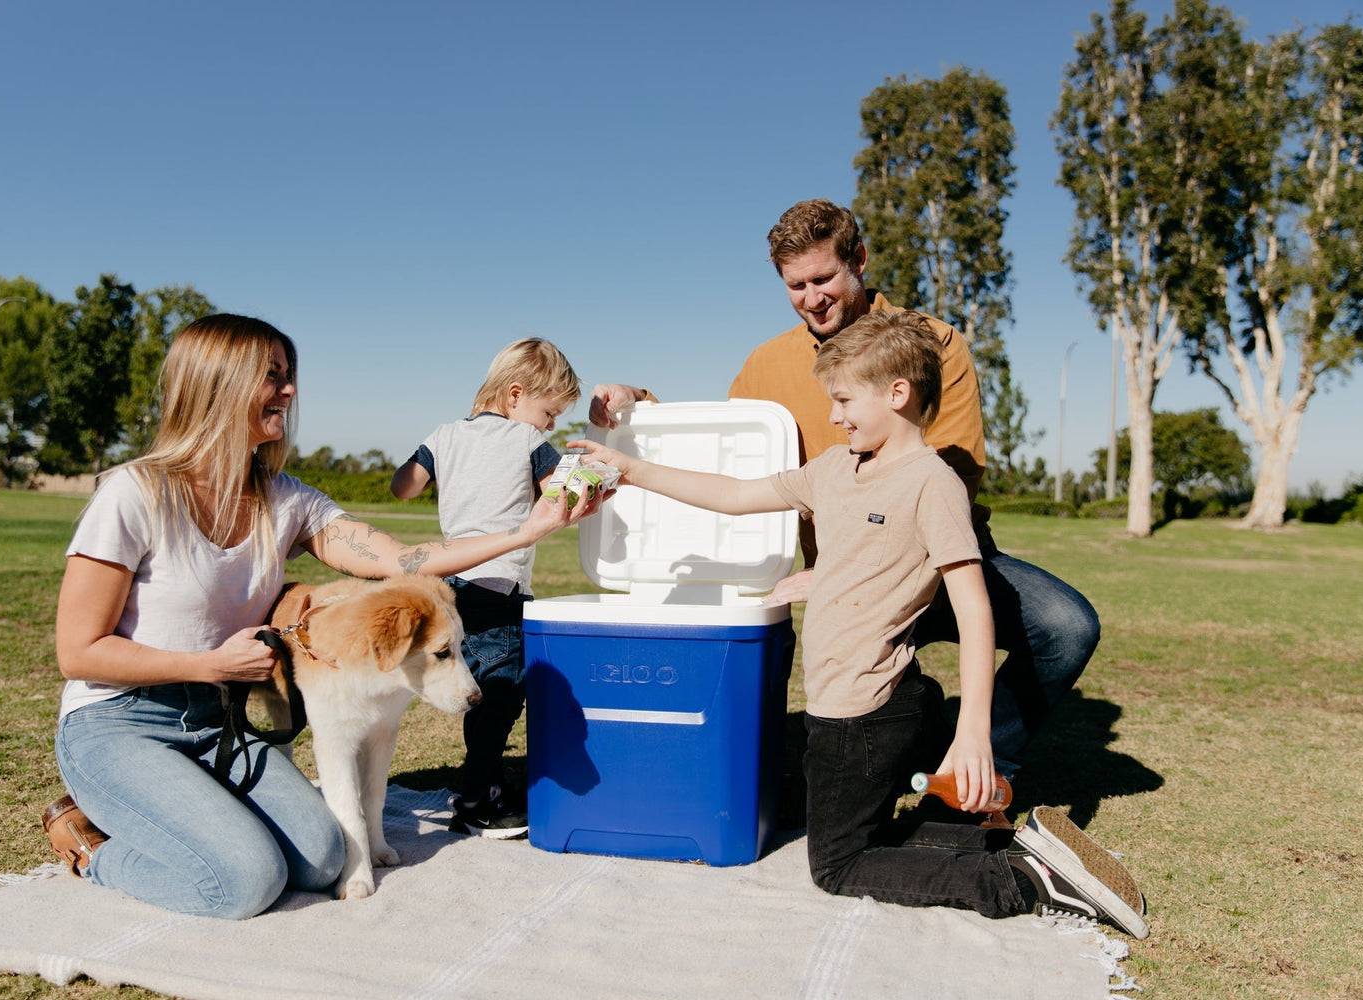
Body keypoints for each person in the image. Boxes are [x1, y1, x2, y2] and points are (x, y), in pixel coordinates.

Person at [573, 311, 1147, 936]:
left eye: (844, 399)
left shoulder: (932, 483)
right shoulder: (833, 469)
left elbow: (975, 608)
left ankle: (1020, 881)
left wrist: (973, 733)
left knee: (839, 864)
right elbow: (734, 495)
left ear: (897, 393)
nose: (833, 416)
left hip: (865, 712)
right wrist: (630, 469)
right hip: (856, 704)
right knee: (863, 829)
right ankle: (1016, 844)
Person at [44, 314, 597, 919]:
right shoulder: (133, 493)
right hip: (120, 720)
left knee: (323, 859)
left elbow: (402, 560)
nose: (289, 390)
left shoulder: (287, 499)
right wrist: (209, 665)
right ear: (214, 383)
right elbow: (79, 652)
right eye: (271, 375)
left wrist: (526, 531)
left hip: (217, 722)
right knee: (245, 881)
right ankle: (91, 849)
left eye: (289, 375)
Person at [591, 198, 1100, 783]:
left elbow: (951, 479)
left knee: (1068, 628)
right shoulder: (767, 364)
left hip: (943, 562)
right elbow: (725, 449)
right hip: (835, 580)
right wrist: (639, 404)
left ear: (858, 259)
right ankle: (906, 723)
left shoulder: (933, 344)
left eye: (824, 278)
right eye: (796, 285)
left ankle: (977, 773)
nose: (812, 298)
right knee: (781, 671)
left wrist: (845, 570)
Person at [391, 338, 582, 839]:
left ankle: (485, 785)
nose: (550, 425)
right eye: (549, 412)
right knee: (501, 695)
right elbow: (561, 496)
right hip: (499, 588)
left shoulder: (444, 434)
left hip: (453, 586)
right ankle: (477, 799)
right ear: (516, 395)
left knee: (477, 690)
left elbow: (403, 486)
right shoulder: (526, 441)